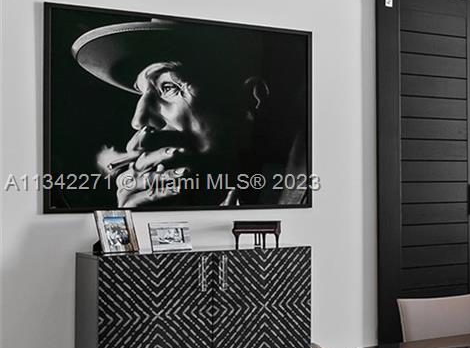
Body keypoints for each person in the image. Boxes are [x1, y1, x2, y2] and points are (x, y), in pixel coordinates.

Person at [71, 18, 310, 208]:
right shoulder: (235, 186)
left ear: (250, 98)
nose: (139, 120)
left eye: (169, 88)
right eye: (141, 93)